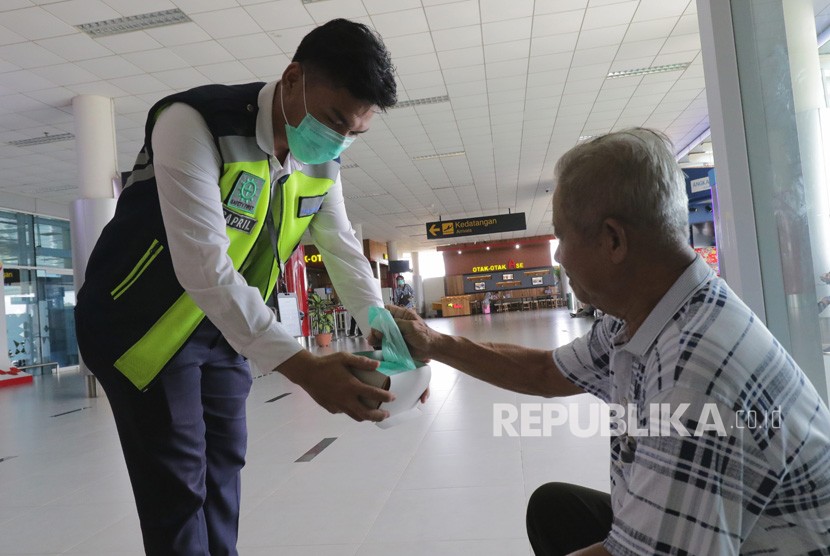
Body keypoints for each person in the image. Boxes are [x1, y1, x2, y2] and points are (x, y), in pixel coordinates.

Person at [386, 128, 830, 555]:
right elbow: (544, 372)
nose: (557, 256)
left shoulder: (693, 374)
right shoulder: (646, 315)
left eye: (561, 235)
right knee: (556, 510)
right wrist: (432, 343)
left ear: (613, 240)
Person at [75, 19, 403, 555]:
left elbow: (341, 246)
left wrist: (385, 330)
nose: (338, 140)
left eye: (354, 133)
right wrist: (303, 369)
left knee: (224, 468)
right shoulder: (193, 122)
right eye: (333, 120)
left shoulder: (321, 159)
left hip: (226, 328)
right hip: (143, 326)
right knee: (178, 484)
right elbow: (204, 265)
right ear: (293, 78)